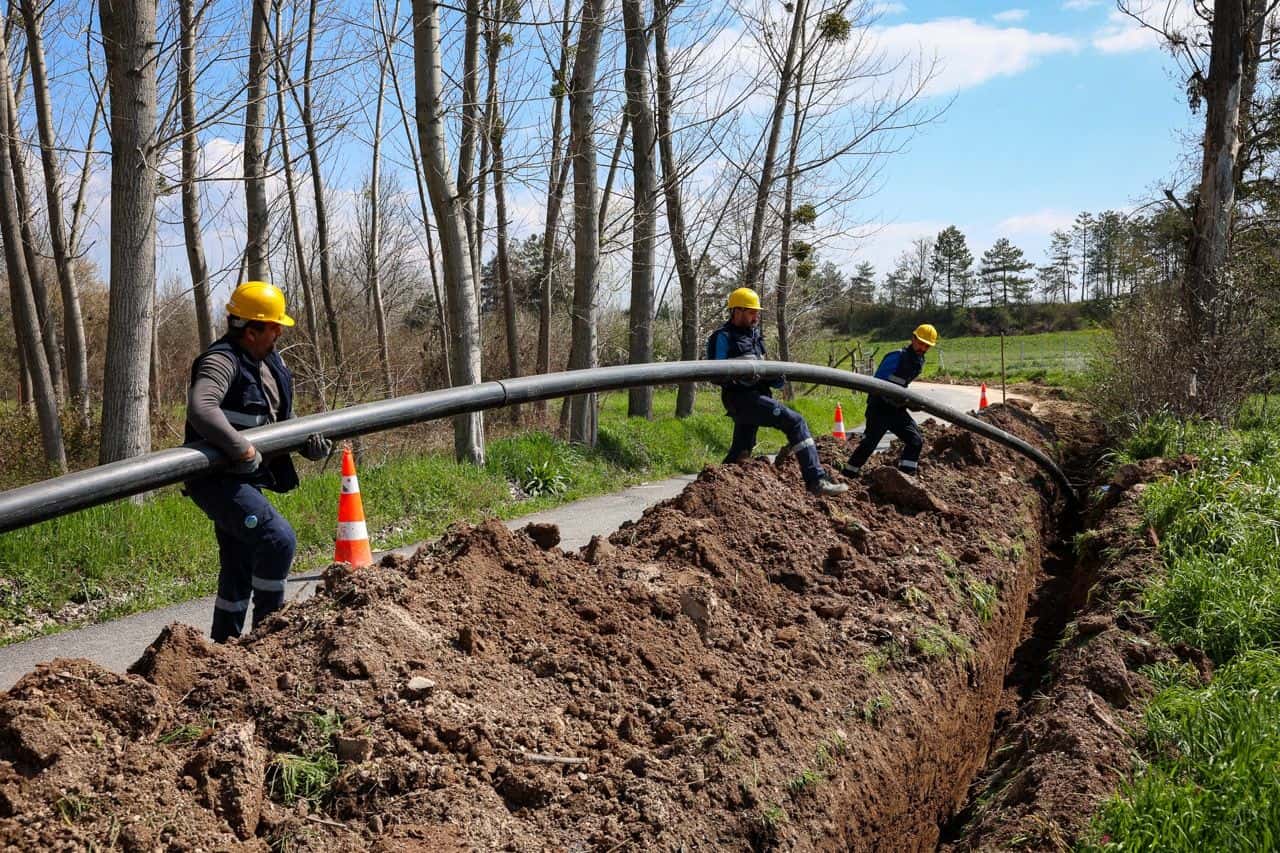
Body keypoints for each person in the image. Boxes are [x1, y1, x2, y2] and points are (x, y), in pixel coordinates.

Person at [183, 281, 332, 642]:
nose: (279, 333)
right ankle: (268, 637)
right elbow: (202, 408)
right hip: (218, 480)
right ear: (250, 332)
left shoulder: (270, 361)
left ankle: (224, 649)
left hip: (245, 479)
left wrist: (306, 445)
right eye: (273, 327)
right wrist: (242, 449)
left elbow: (281, 417)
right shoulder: (222, 361)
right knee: (277, 539)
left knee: (238, 562)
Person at [706, 287, 847, 496]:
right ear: (737, 311)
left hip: (758, 396)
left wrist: (774, 377)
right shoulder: (723, 337)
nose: (756, 317)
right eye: (752, 312)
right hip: (742, 399)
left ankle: (709, 490)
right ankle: (816, 480)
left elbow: (762, 369)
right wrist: (741, 376)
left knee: (741, 451)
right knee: (795, 422)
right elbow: (714, 373)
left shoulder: (755, 337)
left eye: (756, 312)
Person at [842, 323, 938, 478]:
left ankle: (906, 478)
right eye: (921, 343)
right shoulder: (897, 357)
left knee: (915, 441)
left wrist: (907, 402)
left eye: (927, 346)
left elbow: (901, 385)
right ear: (913, 339)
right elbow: (878, 385)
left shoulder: (918, 361)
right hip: (879, 408)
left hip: (896, 410)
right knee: (869, 444)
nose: (923, 348)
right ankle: (848, 475)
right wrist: (903, 399)